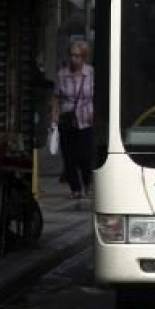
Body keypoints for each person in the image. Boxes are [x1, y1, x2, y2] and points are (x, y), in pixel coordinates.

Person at [53, 39, 96, 199]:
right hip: (67, 119)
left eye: (78, 56)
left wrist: (95, 113)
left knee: (84, 156)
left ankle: (87, 183)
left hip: (86, 119)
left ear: (83, 57)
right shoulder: (62, 74)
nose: (74, 59)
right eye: (72, 55)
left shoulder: (91, 73)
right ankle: (75, 189)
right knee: (69, 157)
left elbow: (97, 96)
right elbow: (56, 97)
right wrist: (54, 119)